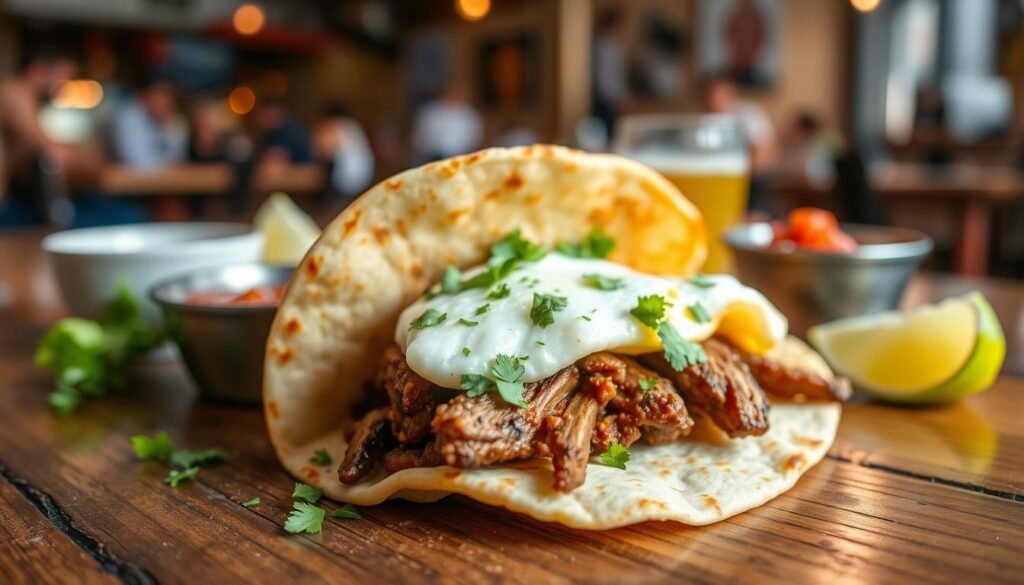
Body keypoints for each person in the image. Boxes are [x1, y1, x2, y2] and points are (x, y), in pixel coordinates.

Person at [0, 45, 77, 226]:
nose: (63, 88)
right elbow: (48, 148)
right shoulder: (13, 91)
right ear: (39, 70)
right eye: (62, 79)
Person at [702, 74, 778, 211]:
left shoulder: (749, 114)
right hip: (716, 180)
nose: (714, 101)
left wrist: (742, 172)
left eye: (720, 95)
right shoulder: (705, 121)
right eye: (711, 96)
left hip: (749, 180)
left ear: (732, 95)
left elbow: (765, 152)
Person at [110, 78, 188, 170]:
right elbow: (137, 163)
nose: (167, 101)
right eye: (161, 94)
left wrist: (168, 126)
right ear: (145, 95)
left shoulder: (169, 119)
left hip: (157, 181)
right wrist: (170, 165)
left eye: (169, 96)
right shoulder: (128, 116)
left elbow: (180, 158)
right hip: (124, 182)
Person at [313, 103, 375, 202]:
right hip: (366, 177)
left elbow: (323, 152)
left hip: (345, 180)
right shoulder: (353, 124)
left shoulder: (333, 125)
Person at [411, 84, 483, 163]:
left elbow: (475, 141)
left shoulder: (471, 114)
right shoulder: (429, 111)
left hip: (461, 158)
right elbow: (419, 140)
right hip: (431, 158)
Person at [592, 7, 631, 139]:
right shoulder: (603, 47)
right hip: (606, 103)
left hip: (613, 101)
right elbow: (605, 80)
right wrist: (619, 101)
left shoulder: (614, 46)